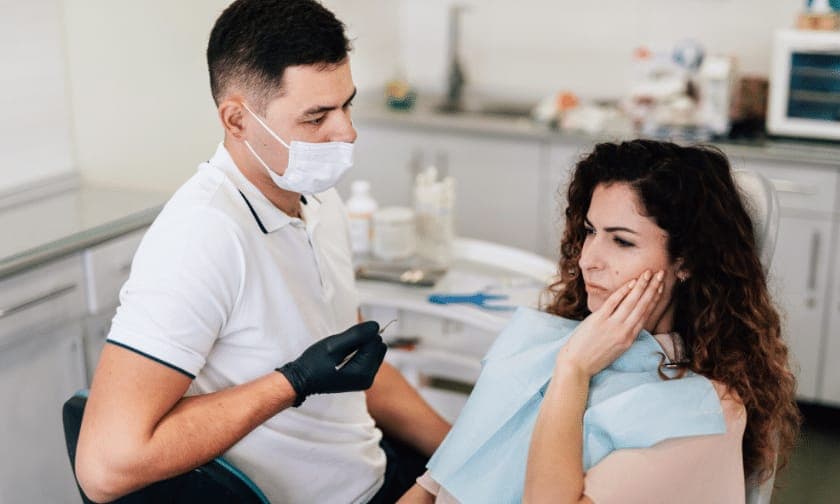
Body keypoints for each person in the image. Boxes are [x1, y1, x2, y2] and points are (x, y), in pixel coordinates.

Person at [75, 1, 450, 502]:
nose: (347, 132)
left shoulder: (319, 199)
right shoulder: (202, 236)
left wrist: (457, 451)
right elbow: (104, 467)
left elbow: (359, 370)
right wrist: (291, 382)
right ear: (236, 120)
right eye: (317, 116)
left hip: (373, 471)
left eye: (347, 105)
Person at [400, 140, 801, 503]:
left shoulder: (702, 413)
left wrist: (573, 371)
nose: (588, 258)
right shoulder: (544, 339)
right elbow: (433, 484)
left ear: (687, 261)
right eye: (590, 231)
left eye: (622, 241)